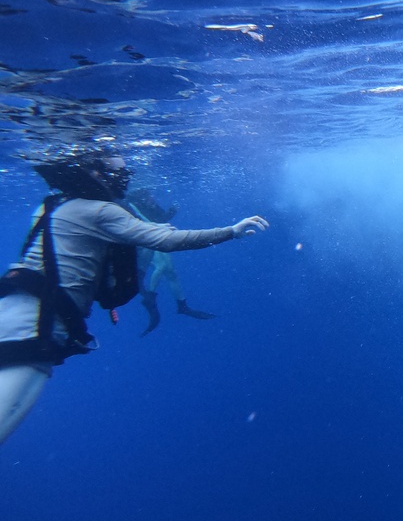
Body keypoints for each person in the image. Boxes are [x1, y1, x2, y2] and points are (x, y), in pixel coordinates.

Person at [0, 153, 269, 444]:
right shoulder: (100, 212)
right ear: (95, 174)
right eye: (117, 168)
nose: (125, 174)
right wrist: (230, 232)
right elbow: (164, 241)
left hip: (12, 311)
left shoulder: (49, 205)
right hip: (36, 326)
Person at [124, 187, 217, 336]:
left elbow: (161, 218)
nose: (152, 199)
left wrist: (171, 212)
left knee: (171, 272)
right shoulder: (132, 203)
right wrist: (156, 227)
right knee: (162, 266)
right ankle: (150, 298)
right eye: (149, 197)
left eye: (152, 196)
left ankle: (181, 305)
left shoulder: (148, 204)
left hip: (157, 235)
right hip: (150, 237)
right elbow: (140, 220)